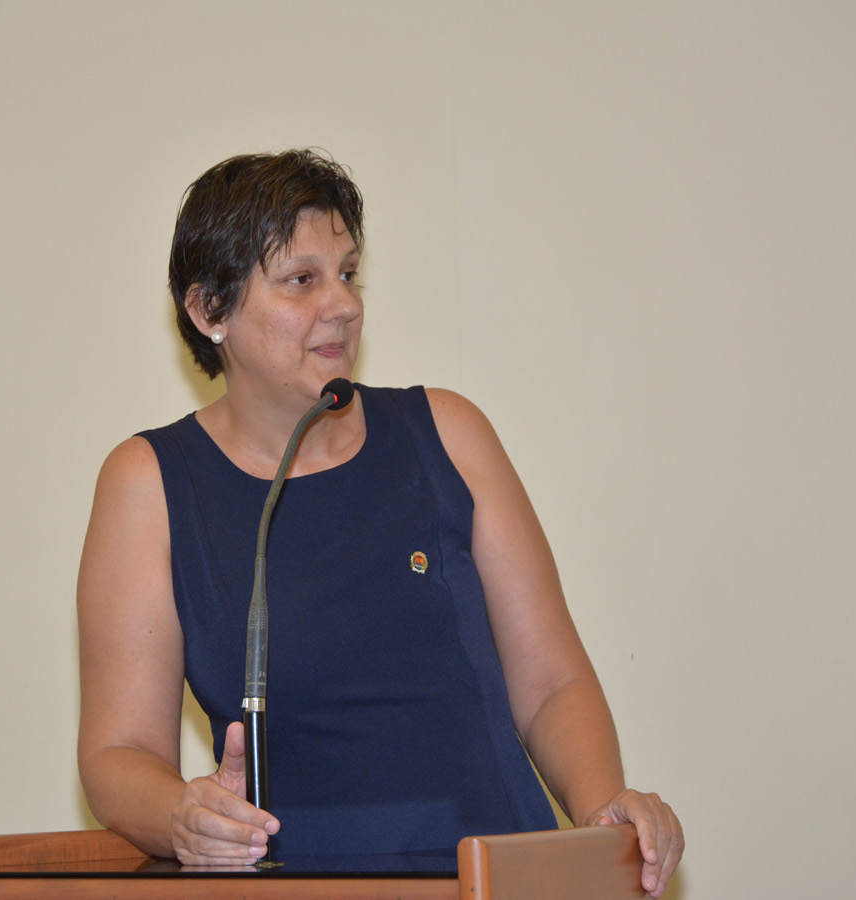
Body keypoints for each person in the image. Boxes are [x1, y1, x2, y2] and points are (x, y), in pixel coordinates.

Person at [77, 150, 683, 897]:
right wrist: (182, 817)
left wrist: (599, 812)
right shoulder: (148, 483)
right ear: (210, 311)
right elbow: (117, 751)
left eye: (348, 273)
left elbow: (552, 682)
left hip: (495, 878)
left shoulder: (447, 433)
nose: (343, 304)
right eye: (301, 279)